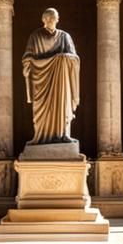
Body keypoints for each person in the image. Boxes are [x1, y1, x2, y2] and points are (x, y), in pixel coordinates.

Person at [21, 8, 80, 145]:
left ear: (57, 20)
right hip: (41, 79)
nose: (50, 20)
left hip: (61, 79)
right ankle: (40, 136)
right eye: (47, 18)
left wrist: (63, 57)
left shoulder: (65, 37)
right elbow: (27, 57)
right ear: (43, 20)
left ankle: (64, 134)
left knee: (62, 104)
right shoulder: (35, 36)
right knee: (40, 111)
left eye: (52, 18)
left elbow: (74, 58)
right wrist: (28, 65)